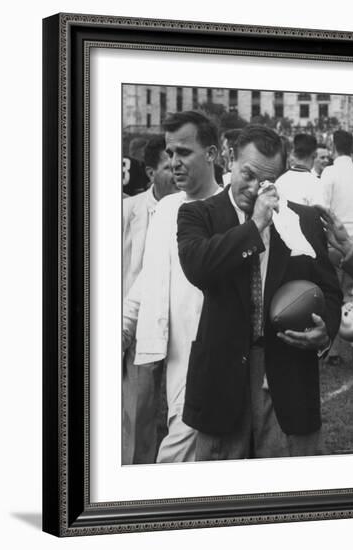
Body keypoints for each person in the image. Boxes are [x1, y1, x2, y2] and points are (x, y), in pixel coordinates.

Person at [177, 125, 343, 460]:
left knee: (290, 495)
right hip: (223, 377)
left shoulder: (304, 220)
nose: (254, 189)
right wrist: (255, 226)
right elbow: (198, 267)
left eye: (266, 180)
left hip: (287, 373)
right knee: (221, 497)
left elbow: (330, 290)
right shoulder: (198, 213)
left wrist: (325, 331)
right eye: (247, 175)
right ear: (229, 160)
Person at [132, 111, 223, 463]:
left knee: (174, 458)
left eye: (184, 152)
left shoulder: (232, 208)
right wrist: (124, 329)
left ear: (212, 154)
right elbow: (147, 281)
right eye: (170, 154)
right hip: (172, 357)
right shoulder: (167, 209)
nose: (174, 163)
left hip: (212, 360)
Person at [121, 135, 178, 464]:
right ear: (152, 172)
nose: (177, 171)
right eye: (169, 167)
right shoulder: (129, 210)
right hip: (136, 327)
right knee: (138, 413)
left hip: (177, 328)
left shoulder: (191, 209)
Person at [320, 130, 353, 367]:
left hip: (336, 239)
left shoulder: (330, 171)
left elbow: (322, 207)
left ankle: (334, 349)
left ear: (333, 145)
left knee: (333, 294)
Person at [275, 133, 324, 206]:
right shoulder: (316, 184)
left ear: (294, 153)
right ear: (315, 154)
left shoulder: (279, 181)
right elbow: (322, 215)